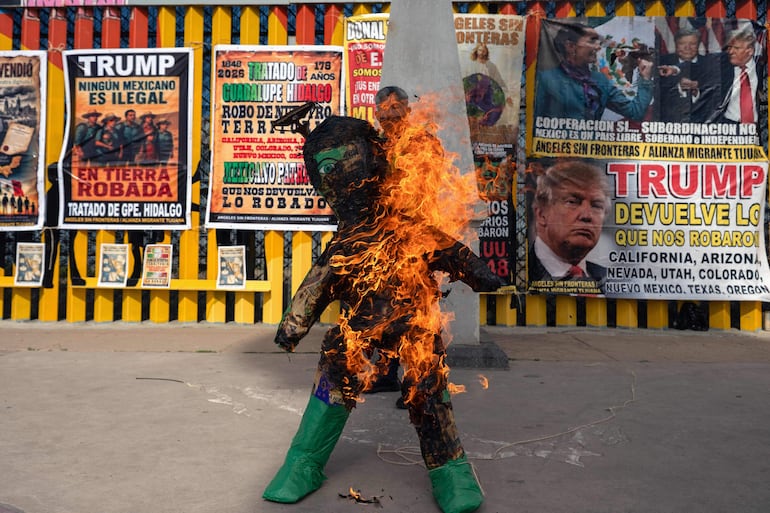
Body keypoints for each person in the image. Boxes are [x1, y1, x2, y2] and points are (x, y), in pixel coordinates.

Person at [262, 116, 505, 513]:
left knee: (427, 384)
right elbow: (316, 285)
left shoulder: (407, 228)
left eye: (344, 161)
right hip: (357, 326)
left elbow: (450, 251)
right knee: (334, 375)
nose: (335, 175)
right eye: (324, 167)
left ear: (374, 162)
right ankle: (303, 461)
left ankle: (449, 467)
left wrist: (482, 274)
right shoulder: (343, 245)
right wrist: (294, 325)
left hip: (414, 323)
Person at [534, 21, 654, 121]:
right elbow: (535, 123)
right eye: (591, 41)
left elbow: (635, 113)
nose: (598, 47)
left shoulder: (600, 80)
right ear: (570, 46)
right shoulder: (546, 79)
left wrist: (645, 78)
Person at [528, 160, 608, 293]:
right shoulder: (519, 273)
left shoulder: (609, 279)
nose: (586, 215)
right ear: (542, 214)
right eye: (572, 202)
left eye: (596, 205)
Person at [656, 28, 721, 123]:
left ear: (698, 45)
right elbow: (658, 94)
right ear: (676, 45)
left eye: (692, 44)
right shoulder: (662, 63)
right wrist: (678, 86)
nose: (687, 47)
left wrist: (697, 91)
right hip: (668, 123)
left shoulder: (710, 64)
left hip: (702, 123)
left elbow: (716, 97)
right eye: (682, 43)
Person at [707, 26, 761, 125]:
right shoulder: (722, 69)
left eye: (736, 48)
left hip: (756, 127)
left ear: (750, 50)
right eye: (729, 47)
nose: (730, 52)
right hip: (728, 127)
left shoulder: (760, 68)